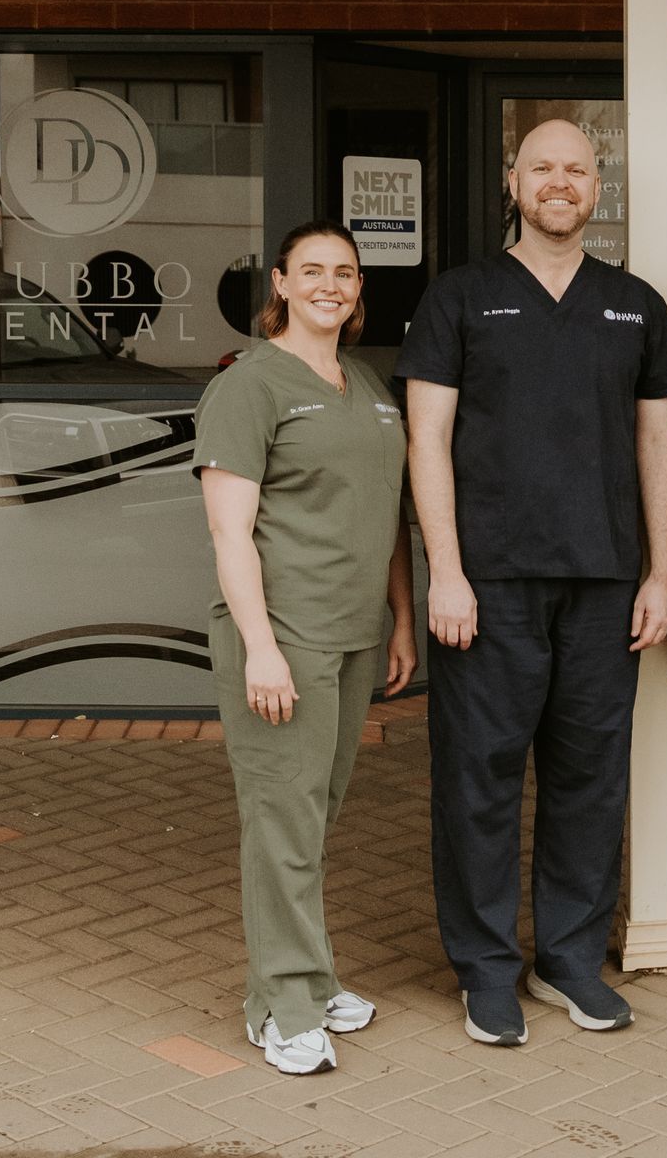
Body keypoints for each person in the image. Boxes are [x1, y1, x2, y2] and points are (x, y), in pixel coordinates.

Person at [396, 118, 667, 1048]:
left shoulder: (636, 305)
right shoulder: (461, 298)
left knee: (588, 780)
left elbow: (658, 442)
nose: (559, 183)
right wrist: (446, 570)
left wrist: (662, 572)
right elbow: (426, 441)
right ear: (511, 180)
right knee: (478, 779)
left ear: (597, 187)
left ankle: (569, 959)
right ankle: (487, 970)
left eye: (577, 169)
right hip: (488, 585)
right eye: (542, 168)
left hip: (604, 582)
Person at [194, 221, 418, 1077]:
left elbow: (388, 513)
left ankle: (307, 981)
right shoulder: (250, 386)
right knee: (282, 822)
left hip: (355, 635)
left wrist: (401, 618)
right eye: (313, 271)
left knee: (310, 817)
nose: (332, 284)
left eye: (347, 272)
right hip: (283, 635)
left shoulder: (363, 381)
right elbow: (228, 530)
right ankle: (283, 1006)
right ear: (280, 283)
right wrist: (260, 647)